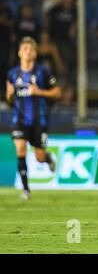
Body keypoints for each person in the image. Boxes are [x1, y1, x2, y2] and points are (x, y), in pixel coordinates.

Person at [6, 37, 62, 200]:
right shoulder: (12, 74)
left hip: (40, 121)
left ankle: (48, 158)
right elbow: (11, 99)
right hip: (20, 120)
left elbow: (57, 92)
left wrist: (40, 92)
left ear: (35, 54)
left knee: (39, 157)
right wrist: (9, 96)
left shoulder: (43, 71)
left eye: (30, 49)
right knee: (20, 148)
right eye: (24, 49)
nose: (27, 51)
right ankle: (26, 189)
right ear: (19, 53)